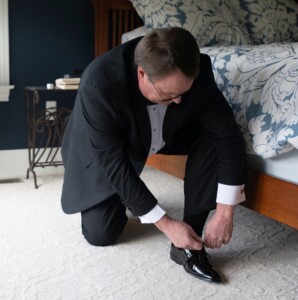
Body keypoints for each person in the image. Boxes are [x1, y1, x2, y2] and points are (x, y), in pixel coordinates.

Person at [61, 27, 247, 283]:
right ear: (141, 74)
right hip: (111, 145)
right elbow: (114, 164)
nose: (179, 100)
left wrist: (225, 212)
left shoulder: (197, 68)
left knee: (210, 135)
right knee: (100, 234)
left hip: (167, 132)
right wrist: (167, 225)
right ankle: (127, 198)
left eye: (184, 92)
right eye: (169, 94)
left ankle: (187, 245)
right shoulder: (99, 82)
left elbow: (227, 136)